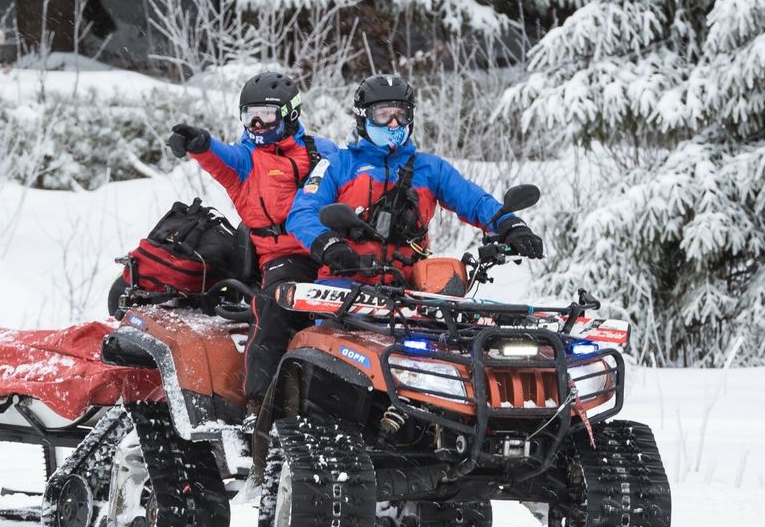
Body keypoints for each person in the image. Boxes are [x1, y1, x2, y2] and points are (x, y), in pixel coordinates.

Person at [167, 71, 338, 416]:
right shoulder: (246, 161)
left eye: (266, 115)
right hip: (283, 256)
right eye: (250, 116)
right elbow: (219, 156)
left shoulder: (323, 150)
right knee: (274, 306)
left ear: (290, 114)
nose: (257, 124)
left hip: (332, 249)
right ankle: (258, 405)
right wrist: (199, 143)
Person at [286, 74, 544, 286]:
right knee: (329, 342)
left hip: (412, 283)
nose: (394, 123)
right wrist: (331, 248)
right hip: (346, 281)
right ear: (362, 116)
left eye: (402, 114)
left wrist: (510, 224)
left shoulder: (430, 168)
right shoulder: (336, 165)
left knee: (453, 339)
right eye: (383, 114)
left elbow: (473, 201)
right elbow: (302, 213)